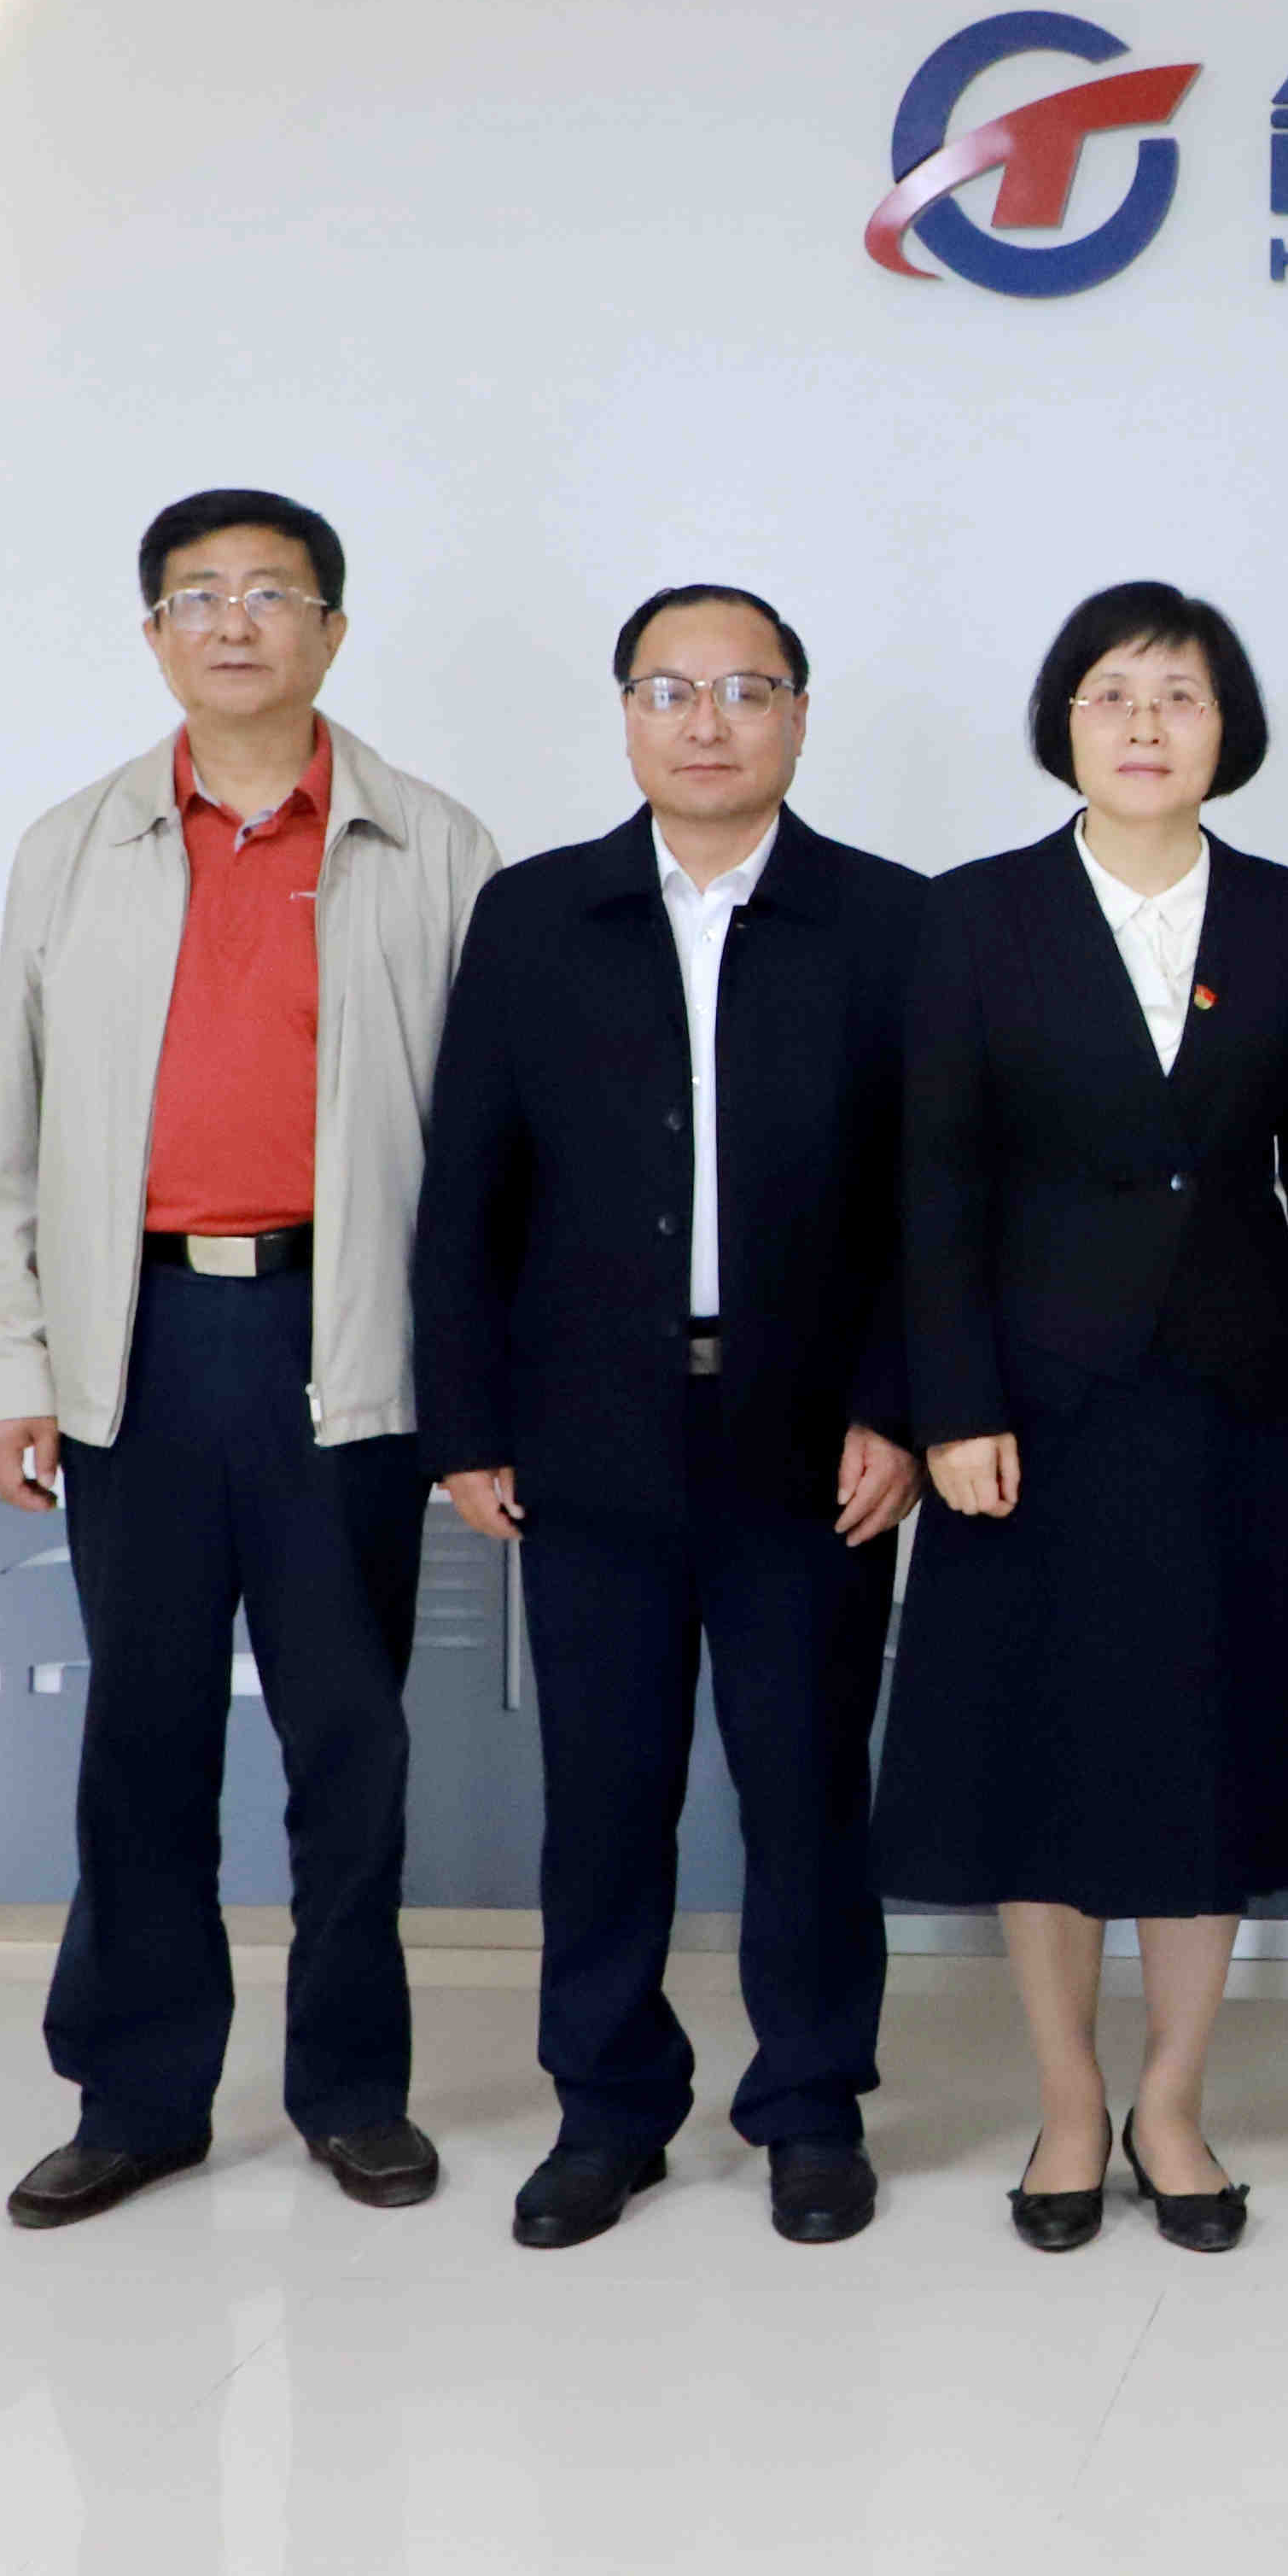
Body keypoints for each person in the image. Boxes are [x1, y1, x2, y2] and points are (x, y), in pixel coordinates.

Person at [0, 489, 498, 2231]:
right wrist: (14, 1359)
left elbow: (492, 1153)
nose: (236, 623)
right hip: (138, 1343)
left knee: (350, 1739)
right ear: (155, 638)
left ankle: (351, 2090)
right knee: (145, 1734)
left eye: (274, 593)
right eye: (199, 596)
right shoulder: (72, 848)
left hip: (343, 1341)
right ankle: (137, 2097)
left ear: (332, 630)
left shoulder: (437, 846)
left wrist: (477, 1381)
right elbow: (12, 1130)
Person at [878, 583, 1288, 2258]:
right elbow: (934, 1187)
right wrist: (952, 1405)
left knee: (1203, 1756)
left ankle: (1172, 2100)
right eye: (1114, 693)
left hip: (1236, 1400)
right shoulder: (977, 915)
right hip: (1033, 1408)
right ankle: (1066, 2100)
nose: (1147, 724)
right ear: (1066, 724)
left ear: (1227, 728)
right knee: (1041, 1757)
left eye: (1180, 694)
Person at [412, 585, 925, 2251]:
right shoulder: (536, 915)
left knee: (807, 1790)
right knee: (606, 1792)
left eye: (746, 690)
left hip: (810, 1442)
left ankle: (811, 2106)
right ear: (627, 715)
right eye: (671, 690)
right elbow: (467, 1186)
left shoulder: (889, 921)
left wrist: (899, 1405)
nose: (709, 723)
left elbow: (932, 1201)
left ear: (801, 714)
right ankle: (608, 2110)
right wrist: (466, 1419)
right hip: (590, 1436)